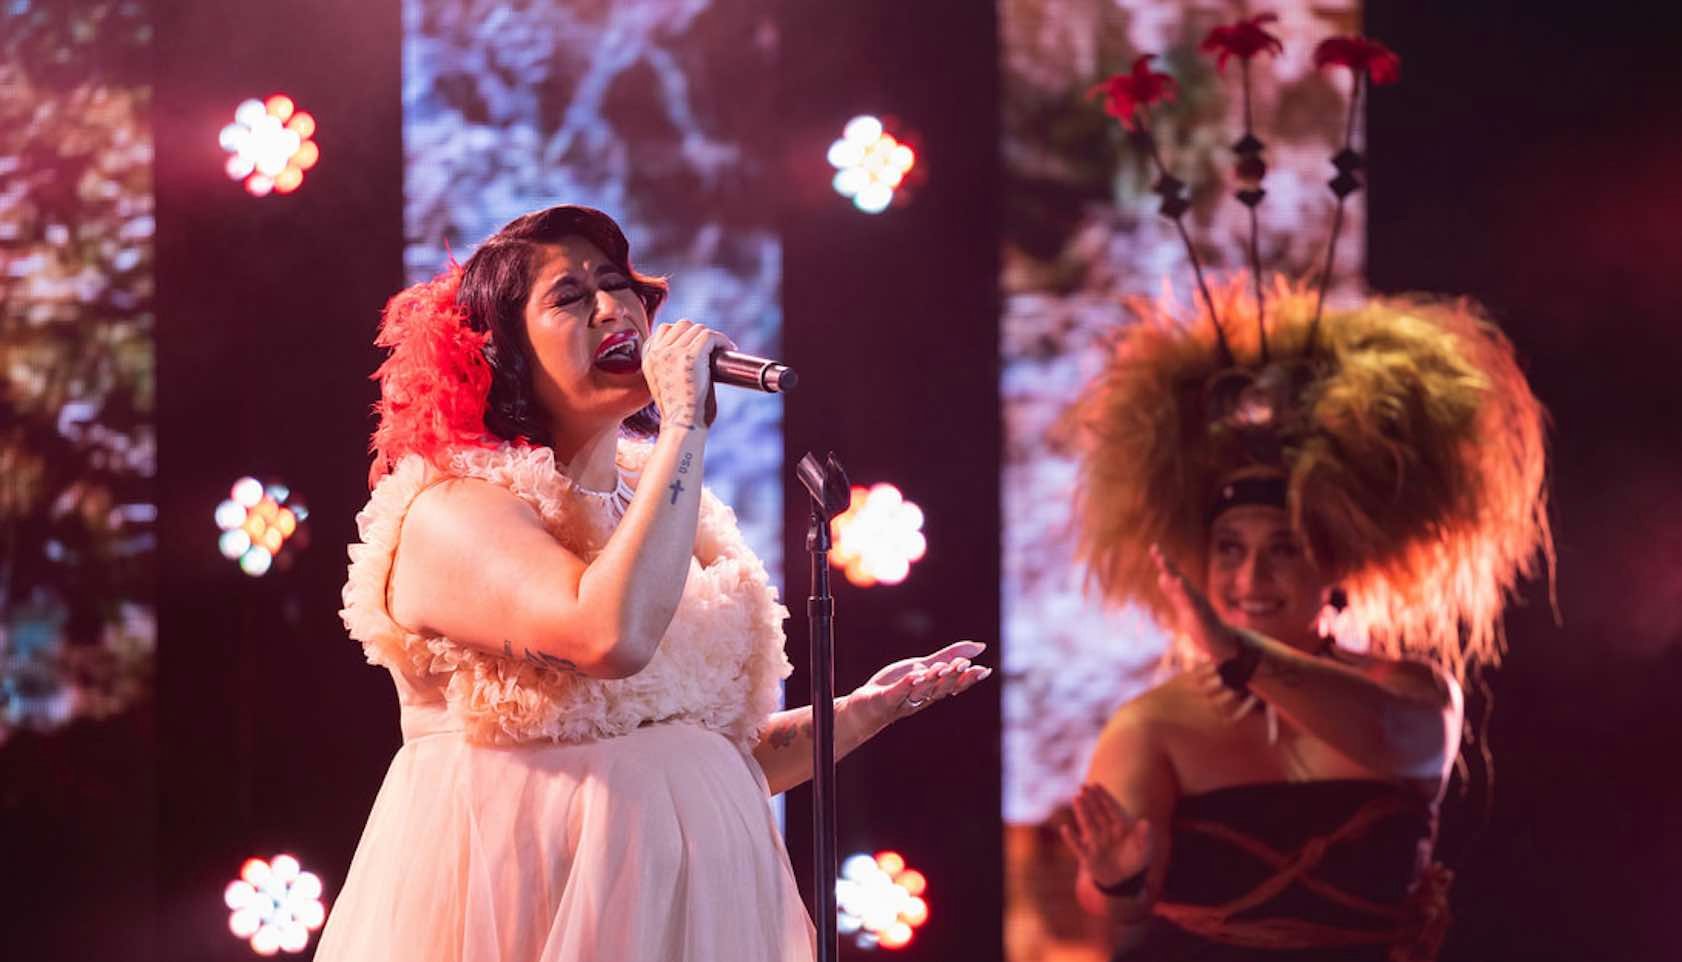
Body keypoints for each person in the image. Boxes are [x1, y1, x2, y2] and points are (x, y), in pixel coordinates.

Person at [314, 205, 990, 962]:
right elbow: (608, 638)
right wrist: (683, 426)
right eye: (570, 297)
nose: (613, 308)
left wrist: (859, 714)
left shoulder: (664, 513)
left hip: (689, 916)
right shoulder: (454, 512)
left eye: (617, 284)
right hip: (529, 907)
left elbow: (696, 755)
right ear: (503, 351)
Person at [1056, 280, 1551, 961]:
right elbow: (1119, 904)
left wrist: (1238, 655)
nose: (1251, 579)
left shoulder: (1410, 693)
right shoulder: (1152, 725)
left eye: (1284, 549)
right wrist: (1118, 876)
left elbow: (1403, 745)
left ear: (1334, 566)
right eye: (1230, 550)